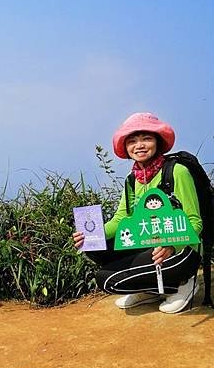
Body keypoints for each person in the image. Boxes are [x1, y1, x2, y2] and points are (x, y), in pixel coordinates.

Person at [73, 112, 202, 313]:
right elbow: (121, 219)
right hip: (148, 244)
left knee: (107, 280)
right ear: (125, 147)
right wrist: (90, 234)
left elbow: (195, 221)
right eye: (132, 141)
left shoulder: (177, 171)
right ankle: (150, 289)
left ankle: (183, 284)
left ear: (158, 142)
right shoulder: (132, 180)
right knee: (93, 245)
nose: (139, 145)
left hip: (182, 251)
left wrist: (171, 245)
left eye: (146, 138)